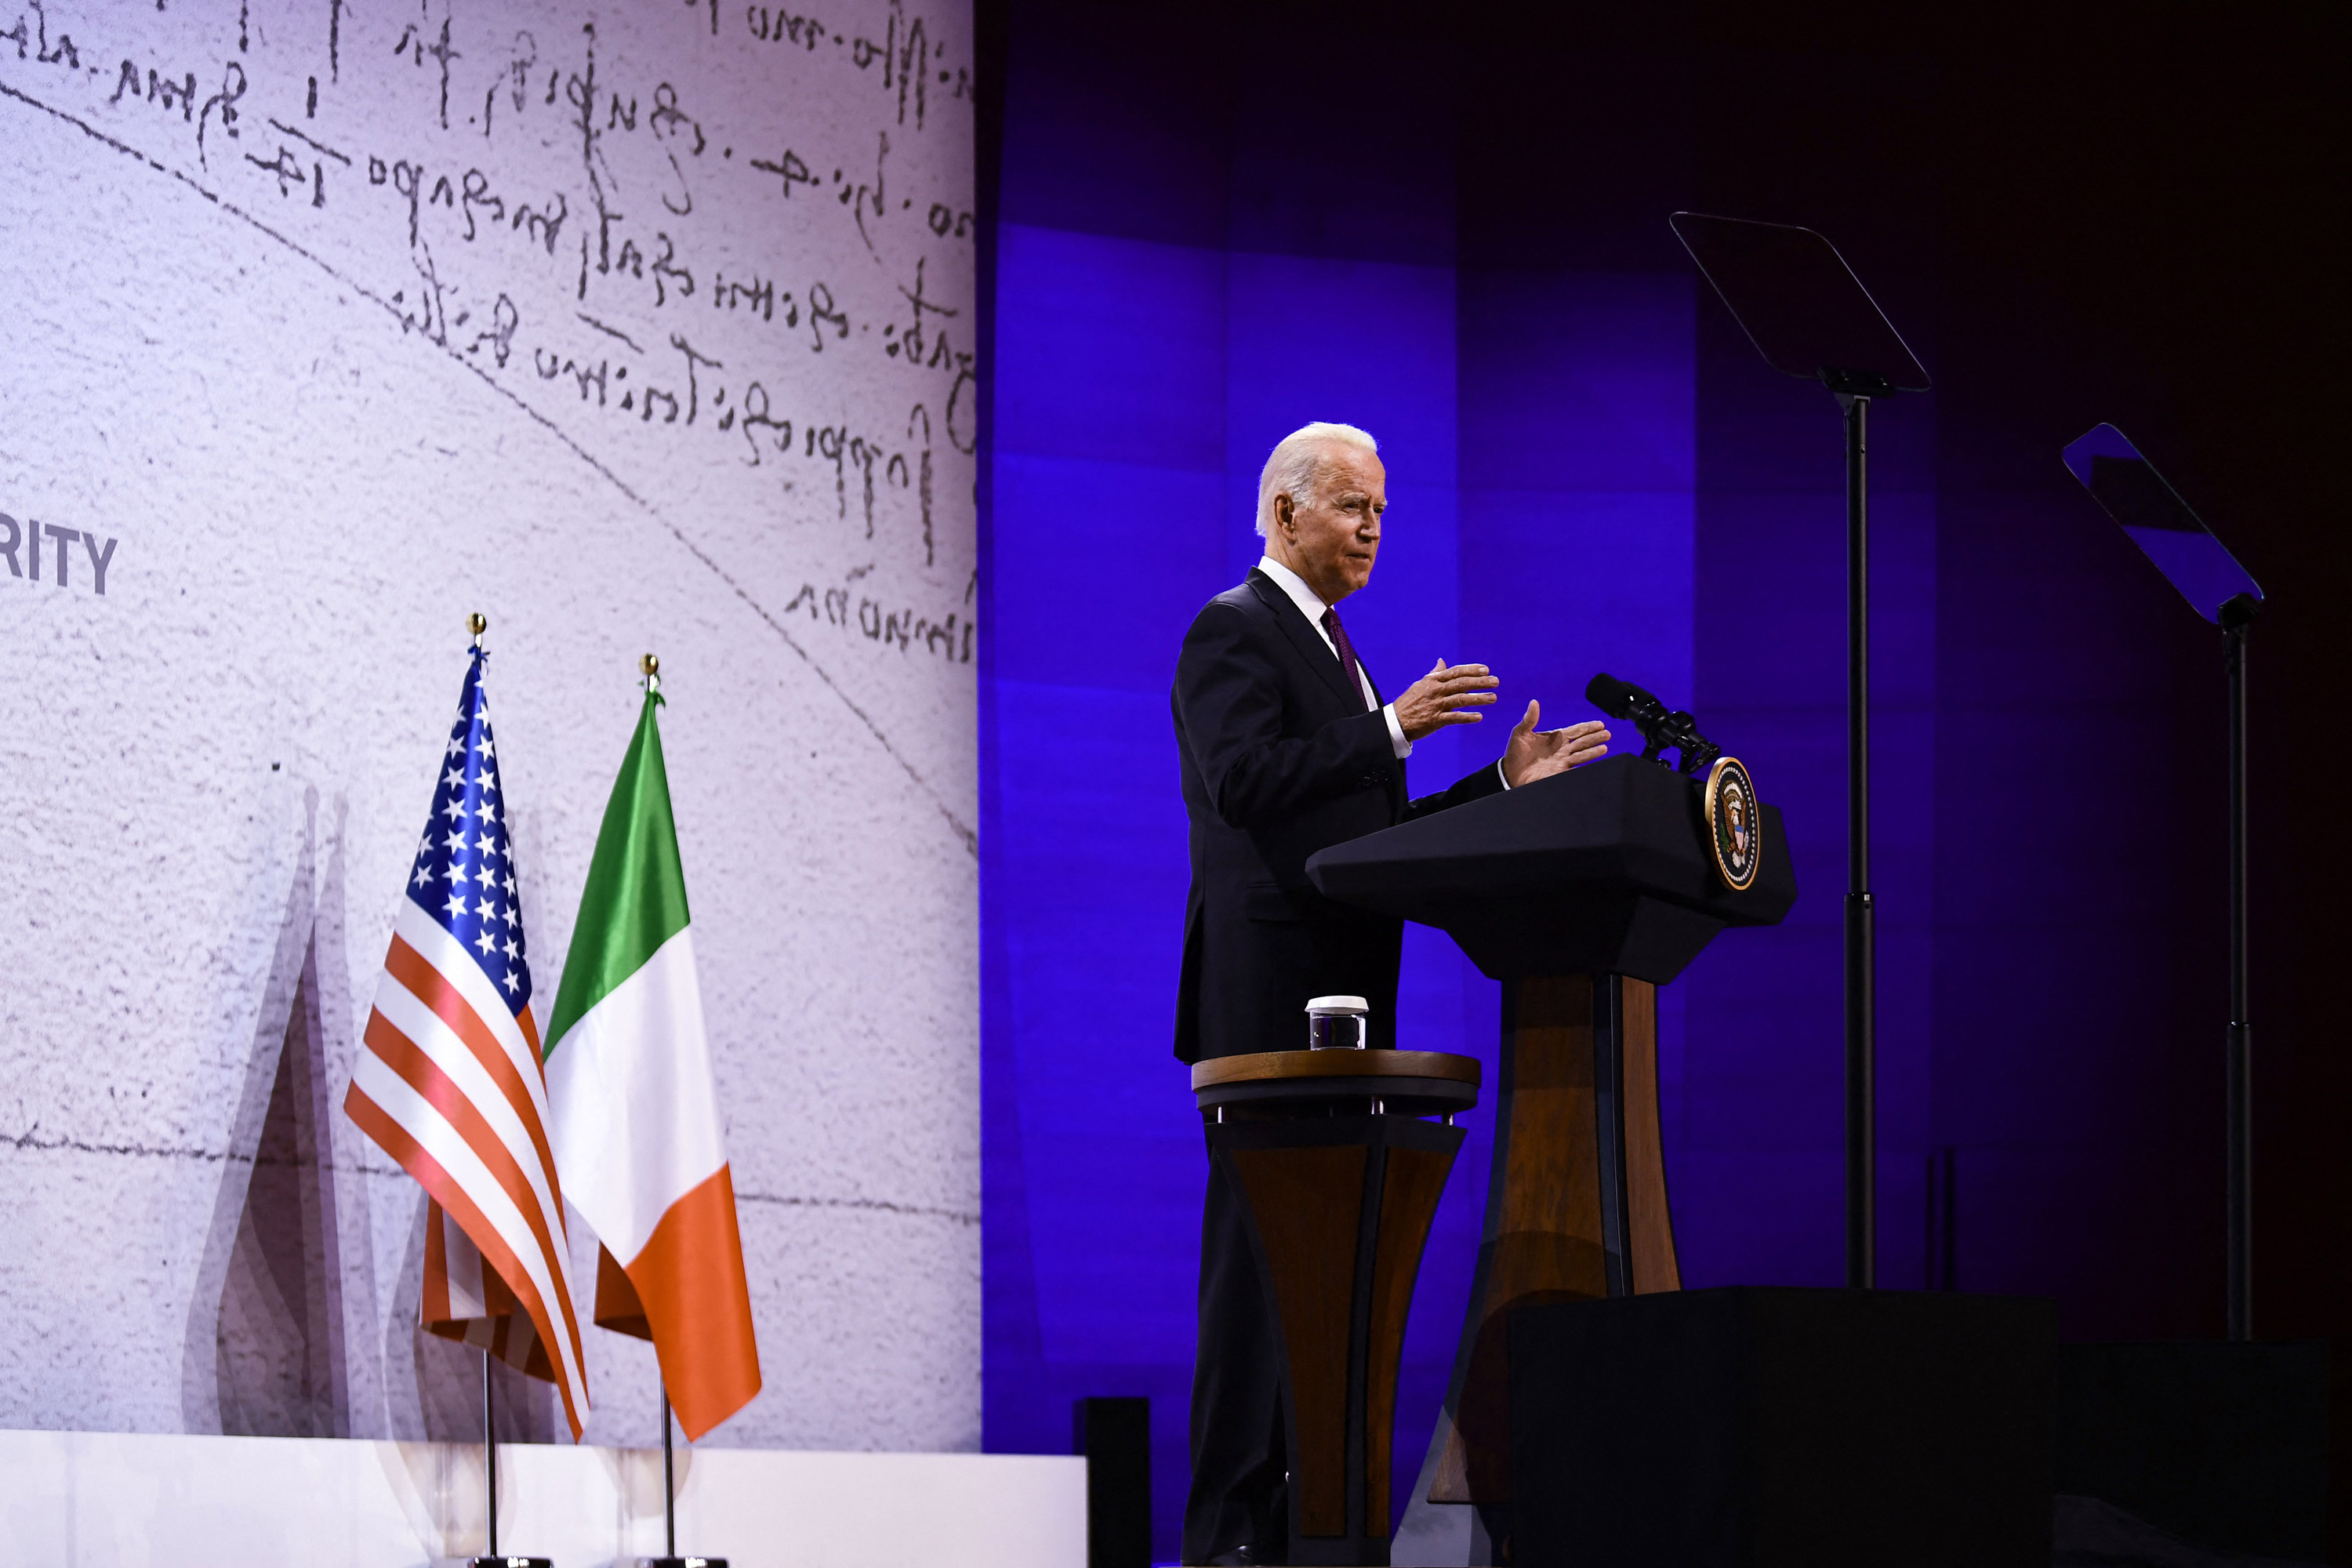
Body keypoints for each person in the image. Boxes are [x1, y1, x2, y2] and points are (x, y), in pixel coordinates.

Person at [1171, 421, 1610, 1564]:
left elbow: (1377, 846)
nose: (1373, 528)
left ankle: (1305, 1528)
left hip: (1349, 1016)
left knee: (1324, 1291)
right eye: (1352, 506)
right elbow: (1243, 784)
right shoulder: (1234, 631)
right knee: (1254, 1282)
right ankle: (1224, 1535)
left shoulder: (1338, 649)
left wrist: (1501, 789)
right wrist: (1388, 727)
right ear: (1284, 514)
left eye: (1381, 510)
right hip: (1266, 1010)